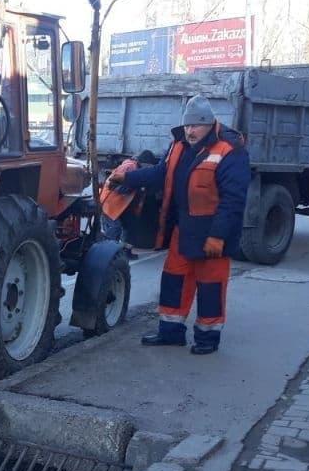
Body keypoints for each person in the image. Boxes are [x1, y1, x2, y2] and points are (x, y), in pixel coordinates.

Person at [106, 96, 250, 355]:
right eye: (187, 126)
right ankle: (170, 333)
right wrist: (127, 177)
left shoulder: (230, 150)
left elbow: (233, 200)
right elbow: (161, 174)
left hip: (213, 232)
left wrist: (218, 236)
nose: (190, 131)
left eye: (196, 126)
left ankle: (207, 339)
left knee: (210, 286)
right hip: (184, 229)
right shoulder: (178, 146)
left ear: (209, 124)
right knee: (174, 280)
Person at [100, 149, 159, 260]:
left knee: (131, 226)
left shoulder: (136, 167)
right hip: (112, 203)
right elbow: (119, 188)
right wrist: (137, 184)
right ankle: (107, 253)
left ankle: (126, 251)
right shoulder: (129, 167)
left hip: (123, 205)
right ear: (143, 163)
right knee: (114, 228)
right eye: (148, 166)